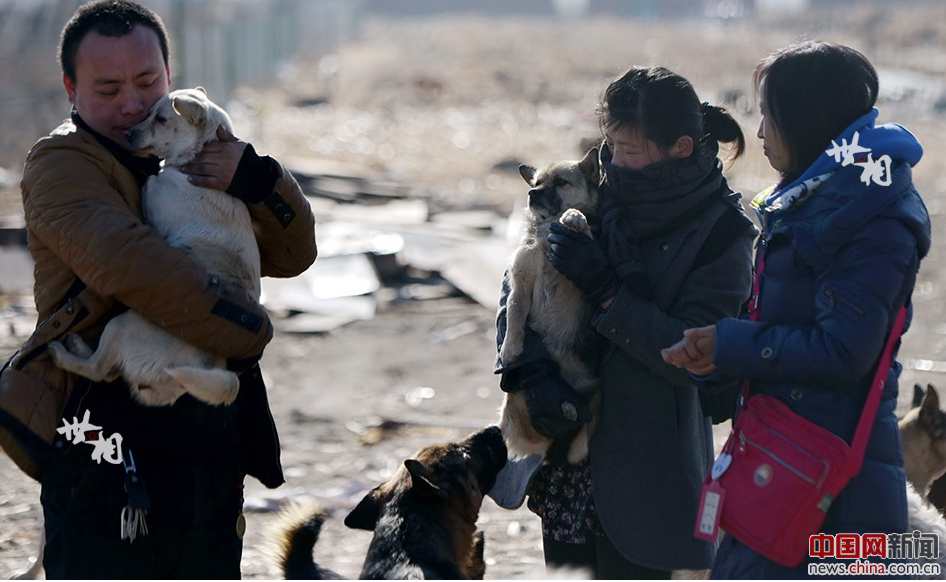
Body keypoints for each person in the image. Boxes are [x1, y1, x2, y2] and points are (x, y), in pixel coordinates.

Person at [0, 0, 316, 577]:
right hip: (105, 435)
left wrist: (257, 178)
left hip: (203, 429)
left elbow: (293, 256)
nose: (130, 103)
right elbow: (134, 267)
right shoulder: (61, 164)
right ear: (71, 89)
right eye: (108, 88)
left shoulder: (188, 146)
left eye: (146, 82)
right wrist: (247, 330)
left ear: (170, 77)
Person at [662, 41, 931, 578]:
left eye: (767, 115)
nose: (758, 133)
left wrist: (732, 343)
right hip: (782, 465)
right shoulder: (816, 196)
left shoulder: (871, 216)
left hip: (835, 492)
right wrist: (722, 352)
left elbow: (843, 350)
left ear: (806, 118)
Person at [493, 66, 757, 578]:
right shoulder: (595, 188)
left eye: (627, 149)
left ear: (680, 146)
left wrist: (608, 293)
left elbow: (696, 355)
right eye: (608, 145)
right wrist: (526, 368)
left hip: (650, 469)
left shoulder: (723, 233)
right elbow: (521, 279)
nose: (612, 161)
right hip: (567, 457)